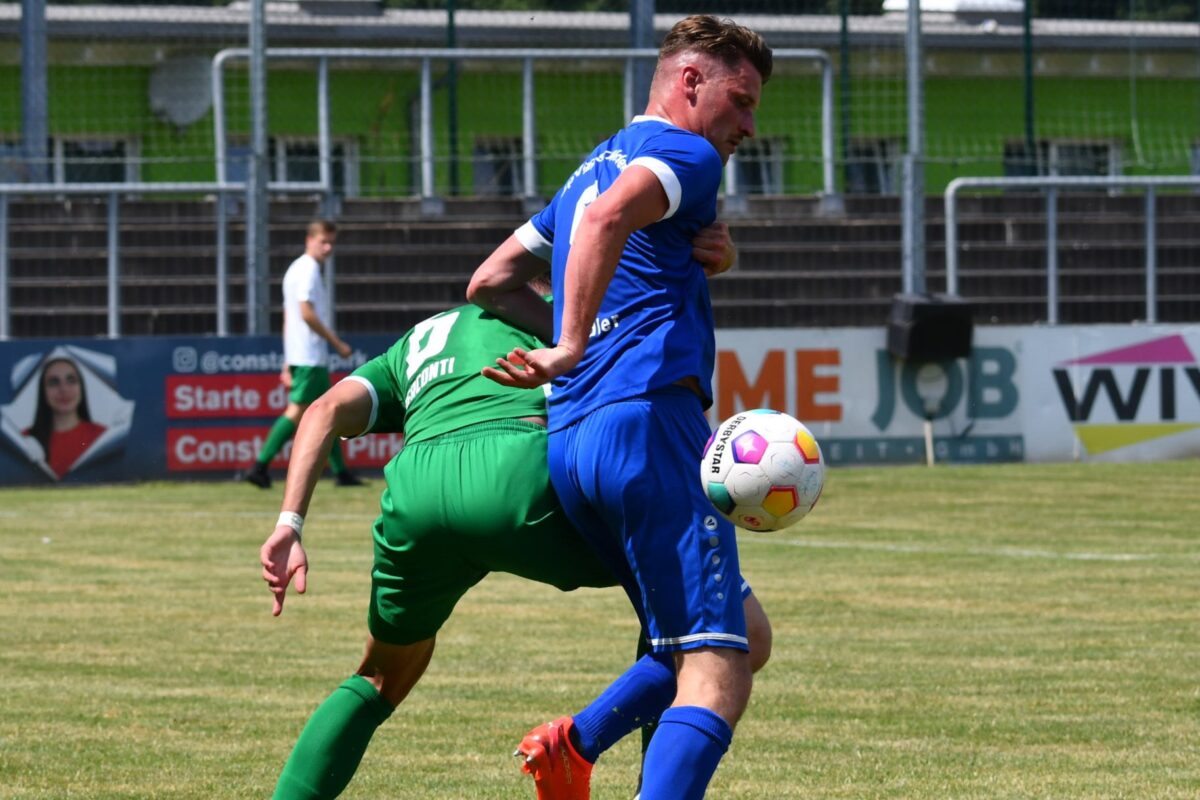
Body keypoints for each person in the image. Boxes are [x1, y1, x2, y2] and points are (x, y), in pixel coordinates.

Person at [261, 251, 768, 800]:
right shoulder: (566, 317)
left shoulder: (419, 339)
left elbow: (323, 411)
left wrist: (290, 522)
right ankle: (588, 750)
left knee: (380, 676)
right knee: (698, 627)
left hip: (417, 497)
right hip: (517, 474)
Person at [467, 15, 772, 800]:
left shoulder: (586, 171)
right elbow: (611, 223)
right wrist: (572, 342)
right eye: (739, 100)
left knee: (736, 634)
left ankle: (576, 743)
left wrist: (585, 342)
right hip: (645, 422)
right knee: (718, 668)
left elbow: (491, 281)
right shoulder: (687, 152)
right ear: (691, 81)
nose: (746, 125)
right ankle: (587, 749)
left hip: (575, 441)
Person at [241, 219, 363, 489]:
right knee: (305, 411)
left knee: (325, 411)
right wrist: (336, 343)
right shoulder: (307, 269)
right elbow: (306, 313)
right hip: (309, 356)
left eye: (331, 242)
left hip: (302, 355)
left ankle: (342, 473)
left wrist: (287, 360)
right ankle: (259, 466)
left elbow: (290, 317)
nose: (328, 248)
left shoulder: (296, 268)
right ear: (310, 239)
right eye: (323, 242)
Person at [23, 356, 107, 480]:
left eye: (71, 380)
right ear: (43, 391)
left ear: (81, 387)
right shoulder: (24, 442)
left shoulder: (102, 438)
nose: (64, 389)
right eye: (54, 382)